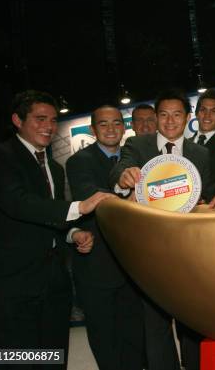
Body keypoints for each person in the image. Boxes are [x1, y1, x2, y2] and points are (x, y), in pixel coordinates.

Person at [0, 90, 112, 369]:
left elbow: (49, 218)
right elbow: (19, 204)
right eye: (40, 119)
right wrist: (79, 208)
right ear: (17, 120)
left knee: (53, 361)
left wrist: (72, 234)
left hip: (53, 288)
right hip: (11, 291)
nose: (49, 126)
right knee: (13, 363)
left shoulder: (54, 167)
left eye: (53, 120)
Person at [110, 88, 212, 370]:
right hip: (151, 250)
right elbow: (119, 170)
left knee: (192, 321)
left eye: (177, 114)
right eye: (163, 115)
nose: (169, 122)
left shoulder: (200, 153)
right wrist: (124, 177)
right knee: (155, 324)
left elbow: (210, 191)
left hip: (189, 249)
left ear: (187, 117)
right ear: (155, 118)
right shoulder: (137, 146)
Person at [66, 105, 144, 370]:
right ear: (92, 129)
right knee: (105, 338)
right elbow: (90, 195)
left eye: (116, 123)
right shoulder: (78, 162)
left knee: (135, 337)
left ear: (124, 127)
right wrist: (127, 198)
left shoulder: (135, 158)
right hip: (97, 266)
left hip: (134, 267)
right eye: (103, 124)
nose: (111, 129)